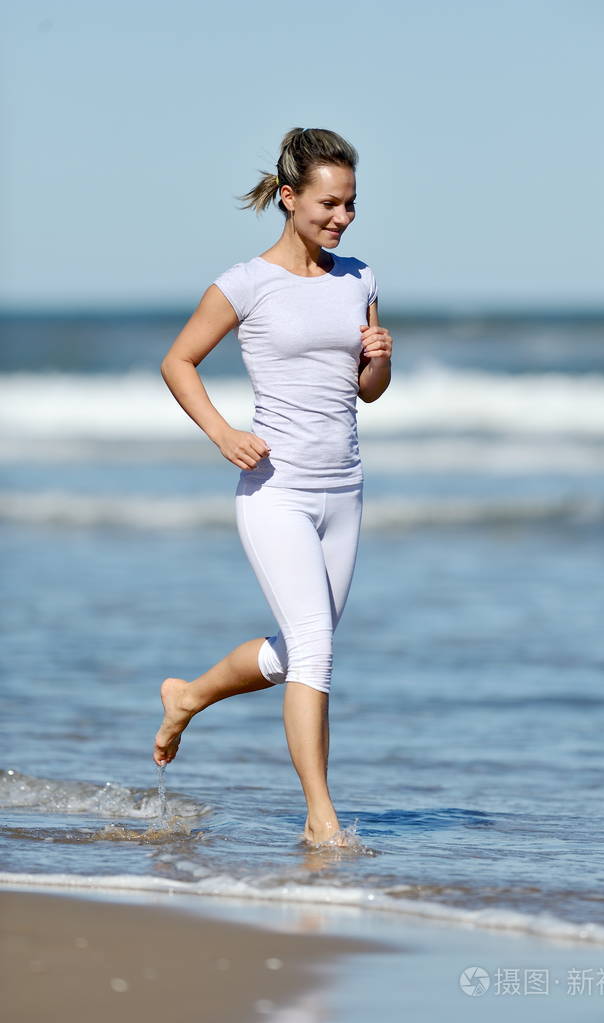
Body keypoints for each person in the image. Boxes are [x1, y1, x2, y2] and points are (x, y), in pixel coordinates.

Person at [152, 127, 393, 846]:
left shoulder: (360, 279)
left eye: (349, 205)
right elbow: (178, 362)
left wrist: (378, 360)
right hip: (275, 490)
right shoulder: (245, 283)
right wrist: (223, 433)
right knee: (314, 649)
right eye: (327, 203)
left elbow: (367, 392)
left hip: (343, 490)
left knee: (298, 651)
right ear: (288, 198)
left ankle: (188, 694)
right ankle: (321, 817)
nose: (340, 218)